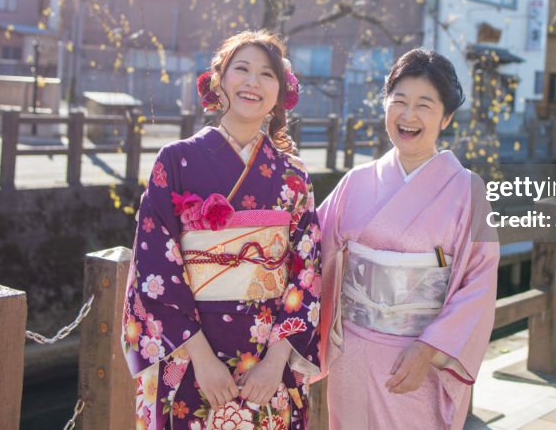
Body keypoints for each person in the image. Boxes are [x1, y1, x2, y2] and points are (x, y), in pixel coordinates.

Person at [122, 30, 322, 430]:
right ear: (218, 80)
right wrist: (201, 357)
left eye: (266, 74)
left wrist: (276, 362)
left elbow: (307, 272)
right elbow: (154, 264)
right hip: (188, 352)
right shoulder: (176, 161)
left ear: (281, 91)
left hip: (266, 362)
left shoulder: (294, 176)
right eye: (241, 69)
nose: (252, 82)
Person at [318, 48, 499, 430]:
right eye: (398, 101)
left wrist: (430, 348)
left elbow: (478, 286)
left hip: (418, 361)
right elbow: (310, 250)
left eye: (424, 105)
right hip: (351, 352)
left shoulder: (468, 191)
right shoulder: (356, 182)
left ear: (446, 117)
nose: (408, 115)